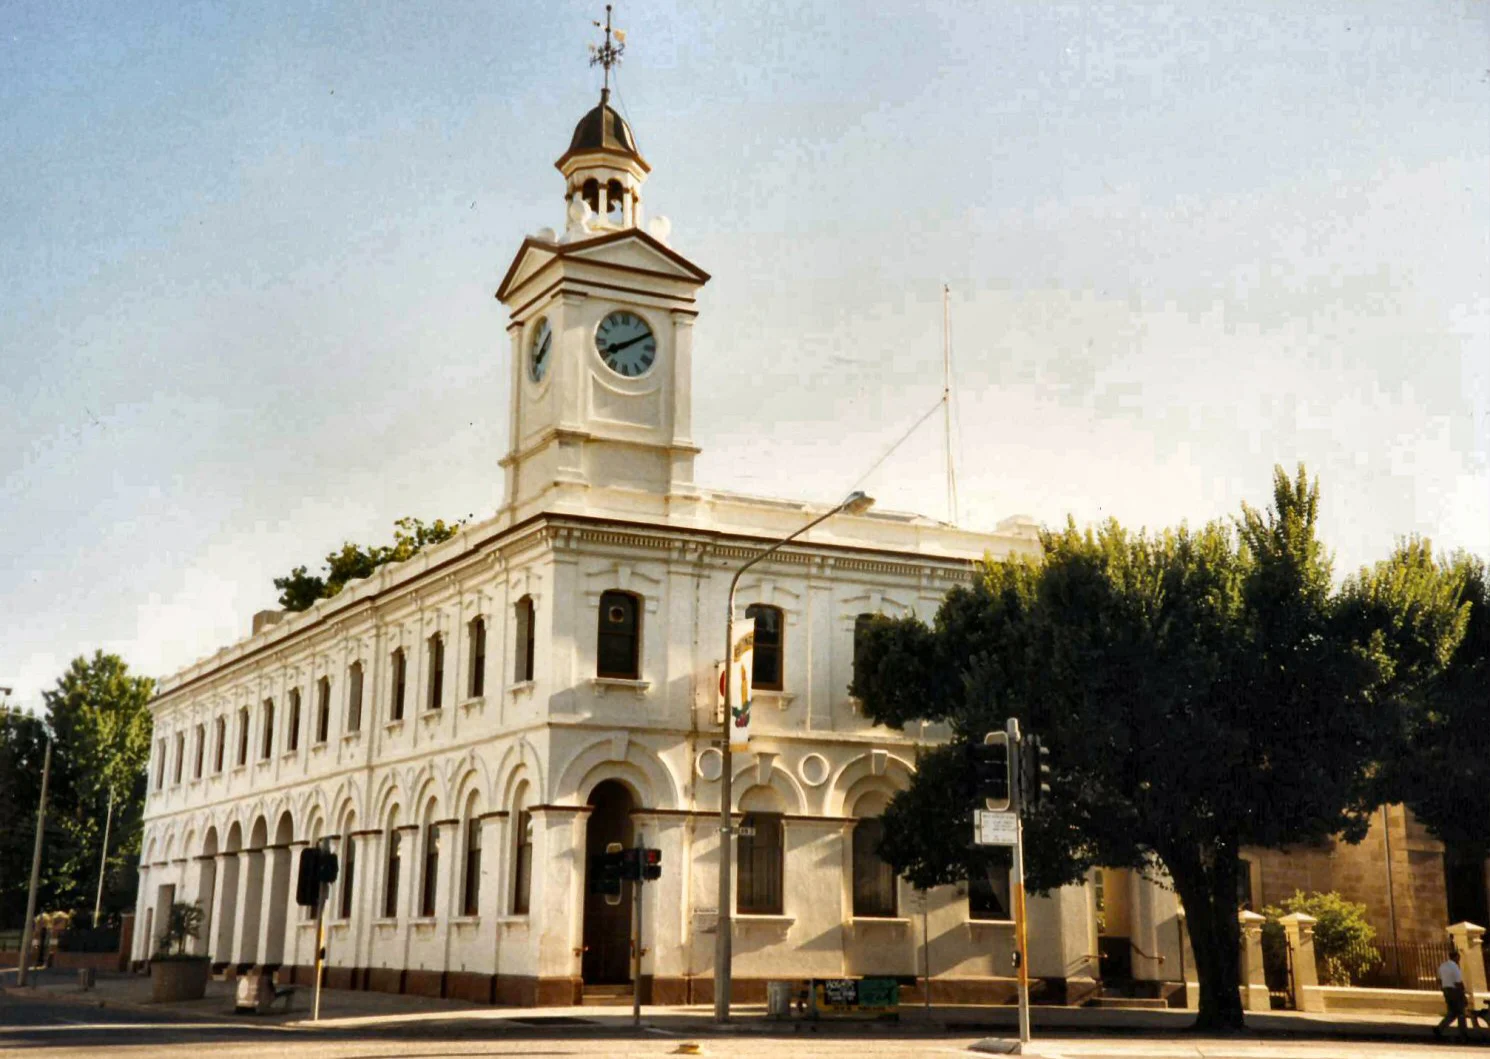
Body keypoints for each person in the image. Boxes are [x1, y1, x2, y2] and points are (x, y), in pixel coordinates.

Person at [1435, 950, 1471, 1041]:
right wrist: (1463, 992)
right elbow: (1458, 982)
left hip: (1446, 991)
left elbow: (1438, 980)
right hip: (1455, 991)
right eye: (1458, 957)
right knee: (1461, 1013)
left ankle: (1440, 1028)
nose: (1459, 959)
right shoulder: (1454, 967)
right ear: (1455, 957)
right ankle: (1463, 1034)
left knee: (1452, 1012)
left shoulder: (1442, 966)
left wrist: (1443, 989)